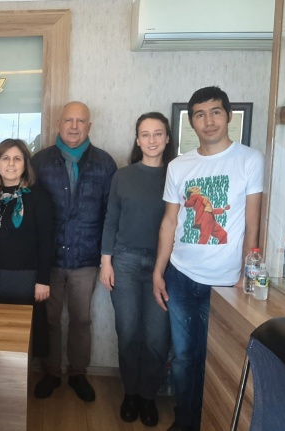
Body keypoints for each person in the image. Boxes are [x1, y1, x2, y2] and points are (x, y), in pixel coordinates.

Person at [153, 86, 263, 431]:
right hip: (181, 276)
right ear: (192, 122)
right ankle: (186, 421)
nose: (209, 121)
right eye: (200, 115)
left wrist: (248, 274)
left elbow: (253, 225)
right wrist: (159, 271)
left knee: (218, 360)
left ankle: (212, 421)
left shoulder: (249, 159)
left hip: (228, 282)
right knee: (184, 357)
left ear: (228, 115)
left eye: (215, 112)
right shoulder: (179, 165)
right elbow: (170, 221)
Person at [31, 101, 117, 401]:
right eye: (68, 120)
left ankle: (78, 373)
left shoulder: (105, 163)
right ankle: (51, 372)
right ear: (59, 123)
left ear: (89, 126)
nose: (74, 126)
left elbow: (110, 214)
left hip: (86, 257)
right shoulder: (39, 162)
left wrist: (107, 256)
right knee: (50, 320)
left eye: (80, 121)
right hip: (50, 258)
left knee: (82, 319)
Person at [100, 112, 176, 427]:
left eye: (158, 133)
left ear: (167, 138)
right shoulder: (123, 176)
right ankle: (130, 393)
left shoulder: (178, 174)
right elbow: (111, 220)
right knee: (128, 333)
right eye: (145, 134)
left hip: (164, 265)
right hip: (126, 262)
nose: (152, 140)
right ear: (137, 140)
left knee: (157, 338)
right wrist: (106, 261)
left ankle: (148, 396)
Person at [0, 138, 53, 357]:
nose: (11, 164)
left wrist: (43, 280)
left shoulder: (39, 196)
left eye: (17, 159)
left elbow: (46, 241)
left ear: (26, 164)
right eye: (5, 158)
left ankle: (23, 377)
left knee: (23, 337)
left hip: (27, 277)